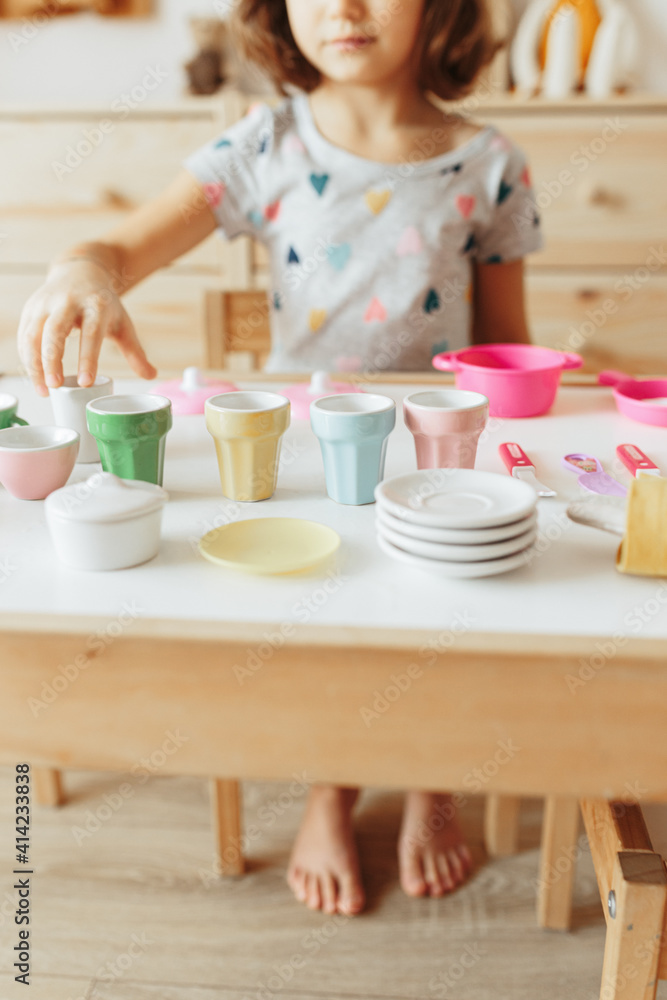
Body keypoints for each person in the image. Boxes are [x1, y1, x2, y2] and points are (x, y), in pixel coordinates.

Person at [17, 0, 542, 915]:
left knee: (442, 609)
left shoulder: (491, 163)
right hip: (299, 455)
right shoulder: (262, 146)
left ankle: (432, 781)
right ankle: (332, 784)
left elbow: (502, 352)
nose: (340, 7)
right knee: (328, 609)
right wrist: (83, 273)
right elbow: (111, 248)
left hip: (431, 460)